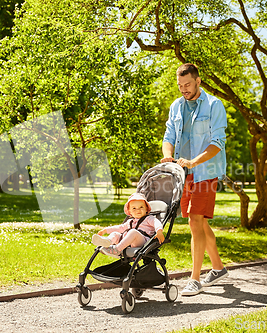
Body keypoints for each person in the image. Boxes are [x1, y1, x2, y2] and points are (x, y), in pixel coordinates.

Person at [161, 63, 228, 296]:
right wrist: (168, 155)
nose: (183, 89)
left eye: (187, 84)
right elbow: (169, 135)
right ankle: (218, 268)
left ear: (198, 81)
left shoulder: (214, 105)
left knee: (194, 222)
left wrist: (194, 162)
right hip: (183, 174)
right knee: (198, 221)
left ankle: (195, 278)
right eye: (180, 86)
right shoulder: (177, 107)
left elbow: (218, 142)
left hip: (205, 172)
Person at [92, 193, 164, 258]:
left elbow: (156, 222)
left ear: (146, 209)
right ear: (130, 212)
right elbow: (119, 228)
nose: (138, 210)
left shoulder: (149, 219)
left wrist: (159, 231)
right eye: (134, 208)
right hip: (128, 242)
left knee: (133, 232)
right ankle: (107, 242)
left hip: (142, 242)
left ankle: (117, 250)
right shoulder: (130, 222)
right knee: (116, 234)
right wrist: (105, 230)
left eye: (141, 207)